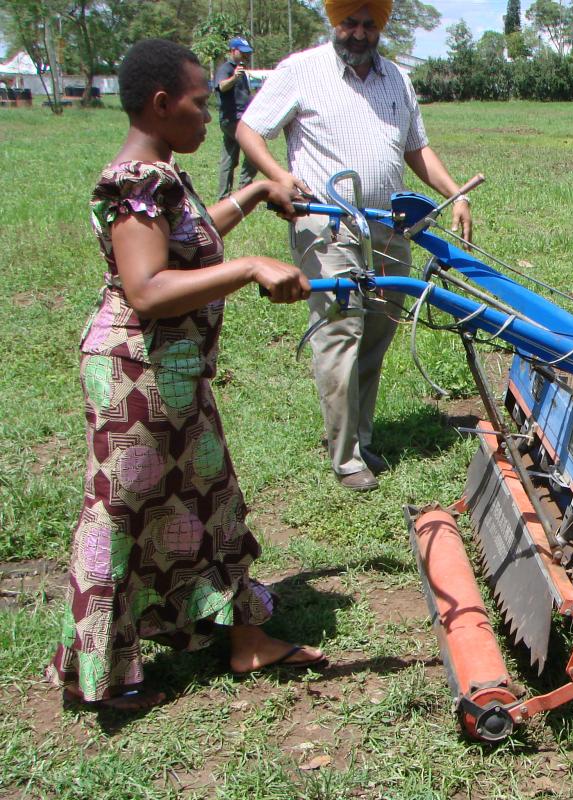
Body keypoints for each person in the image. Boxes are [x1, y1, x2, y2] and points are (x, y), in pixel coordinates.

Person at [46, 38, 324, 711]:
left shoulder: (163, 175)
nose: (213, 116)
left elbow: (194, 240)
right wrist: (251, 267)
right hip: (135, 376)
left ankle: (246, 639)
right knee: (121, 514)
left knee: (213, 499)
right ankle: (99, 675)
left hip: (172, 373)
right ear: (162, 104)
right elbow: (146, 287)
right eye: (202, 104)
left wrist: (256, 191)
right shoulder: (139, 179)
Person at [238, 0, 475, 493]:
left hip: (389, 225)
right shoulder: (301, 71)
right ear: (334, 21)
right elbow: (249, 130)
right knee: (341, 332)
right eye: (351, 22)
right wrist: (280, 177)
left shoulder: (396, 79)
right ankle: (346, 457)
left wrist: (453, 194)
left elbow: (415, 147)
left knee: (377, 333)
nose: (360, 33)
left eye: (370, 24)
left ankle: (361, 436)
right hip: (328, 224)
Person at [215, 37, 258, 198]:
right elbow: (221, 86)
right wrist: (234, 77)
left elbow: (244, 95)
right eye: (243, 53)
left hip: (237, 118)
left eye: (248, 53)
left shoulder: (240, 70)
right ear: (233, 51)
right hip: (233, 119)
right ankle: (244, 190)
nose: (246, 56)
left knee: (228, 159)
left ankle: (223, 197)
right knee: (255, 151)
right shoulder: (227, 68)